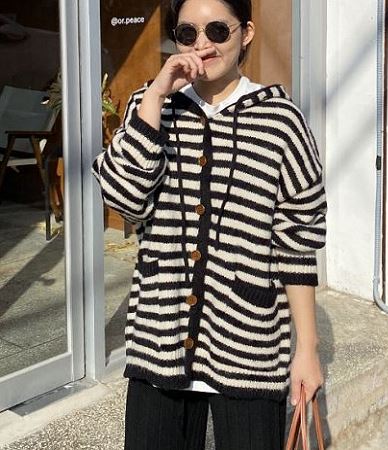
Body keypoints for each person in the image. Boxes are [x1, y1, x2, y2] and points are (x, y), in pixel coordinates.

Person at [92, 0, 327, 448]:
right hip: (160, 340)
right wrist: (156, 97)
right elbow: (123, 201)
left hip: (248, 345)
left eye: (218, 30)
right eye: (188, 33)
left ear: (246, 33)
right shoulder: (151, 105)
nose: (203, 44)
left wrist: (307, 350)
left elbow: (297, 241)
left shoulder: (281, 122)